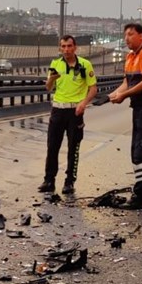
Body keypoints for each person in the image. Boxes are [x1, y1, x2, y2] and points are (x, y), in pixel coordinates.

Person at [108, 22, 142, 208]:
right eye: (125, 35)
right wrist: (115, 94)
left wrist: (124, 95)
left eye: (130, 34)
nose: (126, 38)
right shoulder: (130, 56)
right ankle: (141, 194)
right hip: (138, 109)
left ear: (141, 36)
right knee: (136, 151)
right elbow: (127, 82)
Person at [38, 35, 98, 195]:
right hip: (58, 110)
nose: (66, 49)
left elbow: (93, 89)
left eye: (69, 46)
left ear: (75, 47)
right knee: (52, 147)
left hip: (75, 111)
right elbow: (48, 88)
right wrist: (51, 79)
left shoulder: (85, 65)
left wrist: (83, 103)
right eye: (63, 46)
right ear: (60, 48)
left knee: (73, 147)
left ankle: (69, 181)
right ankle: (49, 180)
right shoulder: (55, 64)